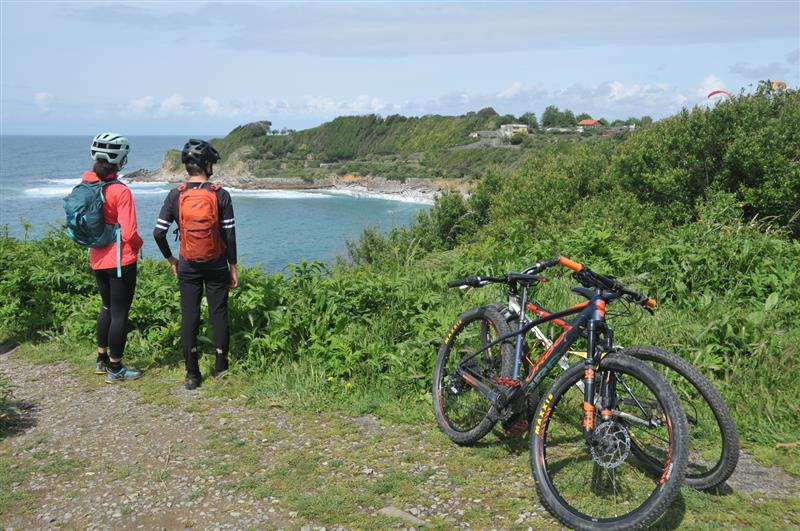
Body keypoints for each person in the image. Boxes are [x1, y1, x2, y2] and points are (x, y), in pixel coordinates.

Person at [153, 139, 239, 390]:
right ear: (206, 165)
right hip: (216, 264)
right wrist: (232, 265)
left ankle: (192, 374)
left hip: (188, 264)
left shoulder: (176, 194)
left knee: (190, 316)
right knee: (218, 314)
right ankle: (221, 368)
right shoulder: (220, 194)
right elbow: (229, 235)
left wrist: (172, 260)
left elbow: (159, 233)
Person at [85, 133, 144, 382]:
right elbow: (129, 232)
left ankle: (101, 360)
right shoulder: (120, 191)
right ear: (120, 160)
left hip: (97, 256)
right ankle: (116, 368)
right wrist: (140, 245)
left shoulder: (88, 183)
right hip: (120, 261)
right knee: (120, 312)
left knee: (107, 307)